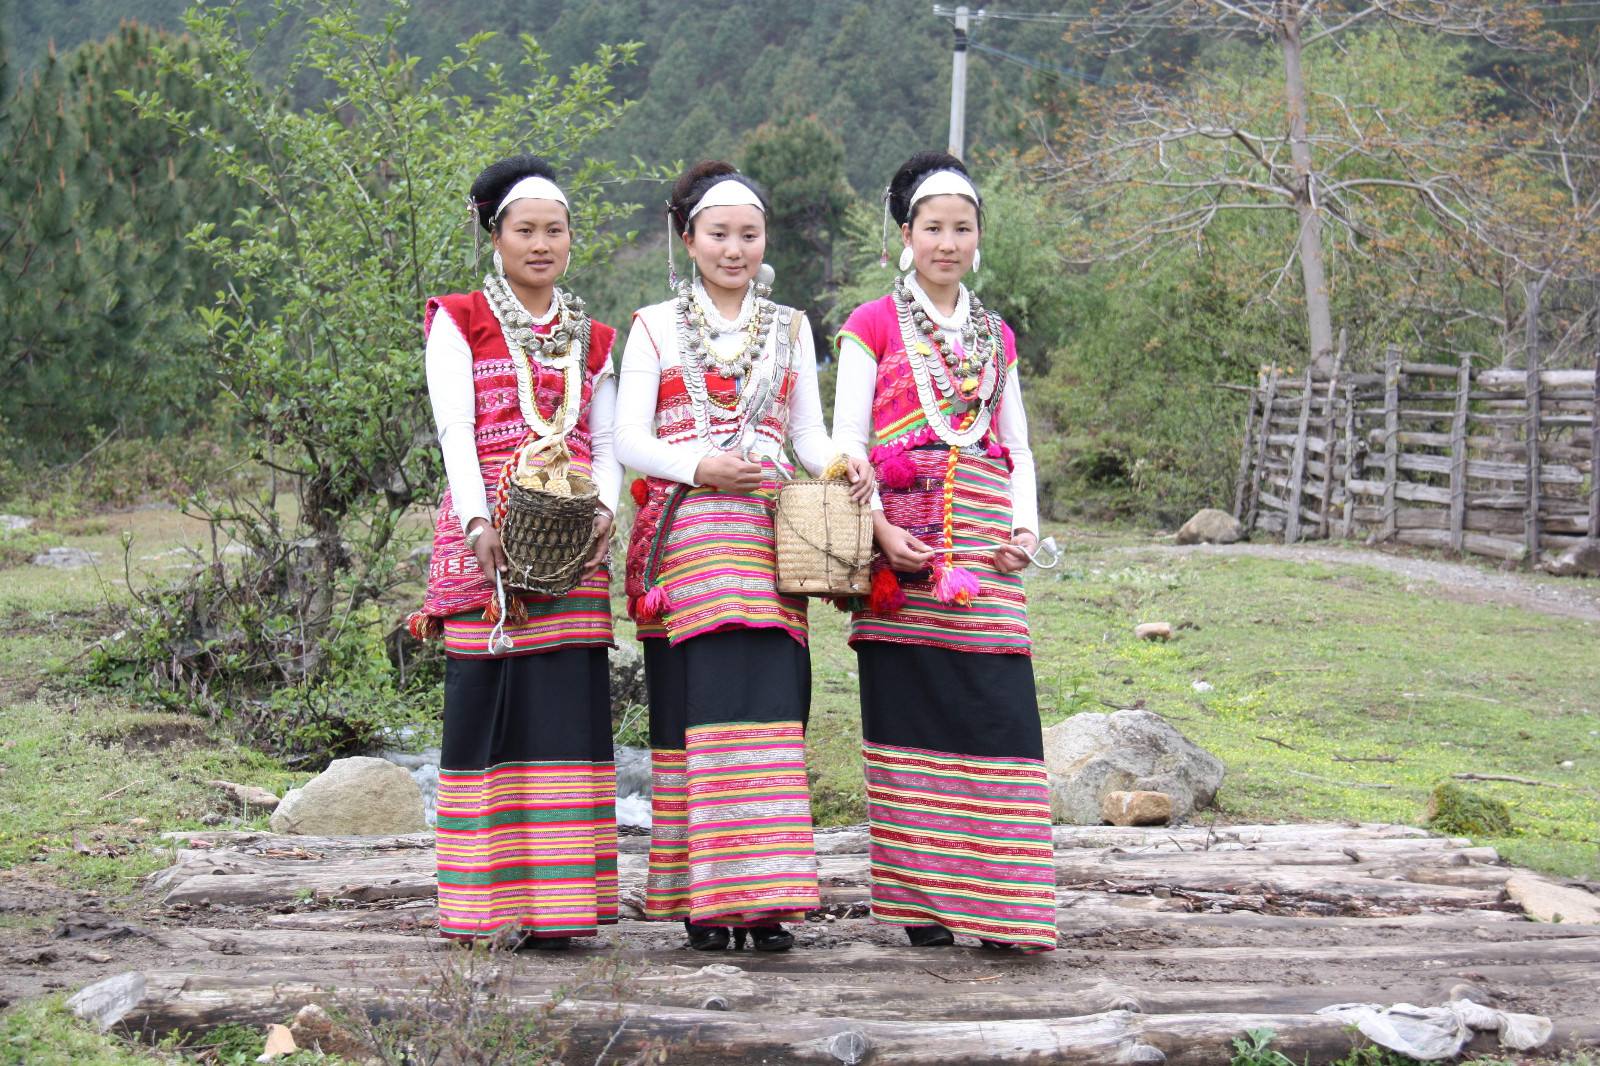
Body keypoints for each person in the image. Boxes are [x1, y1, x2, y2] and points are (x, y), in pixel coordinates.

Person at [615, 161, 873, 953]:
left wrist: (843, 460)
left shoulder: (791, 327)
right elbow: (628, 441)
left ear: (765, 243)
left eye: (749, 235)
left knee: (770, 712)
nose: (735, 249)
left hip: (769, 546)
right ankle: (705, 898)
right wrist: (699, 465)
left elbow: (804, 436)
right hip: (686, 544)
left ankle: (763, 901)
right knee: (700, 717)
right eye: (719, 234)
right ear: (688, 239)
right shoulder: (654, 326)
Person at [830, 152, 1057, 952]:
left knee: (995, 711)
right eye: (934, 227)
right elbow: (846, 444)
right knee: (912, 714)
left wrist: (1025, 531)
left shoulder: (997, 336)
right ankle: (927, 904)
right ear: (907, 234)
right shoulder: (871, 324)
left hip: (987, 551)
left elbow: (1018, 449)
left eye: (963, 228)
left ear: (979, 238)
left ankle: (1004, 907)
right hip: (900, 550)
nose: (948, 242)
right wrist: (883, 537)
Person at [407, 155, 621, 950]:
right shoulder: (457, 318)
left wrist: (602, 504)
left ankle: (563, 908)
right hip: (487, 536)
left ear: (571, 239)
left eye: (554, 230)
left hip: (571, 542)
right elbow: (455, 431)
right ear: (493, 236)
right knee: (486, 713)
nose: (540, 244)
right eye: (524, 230)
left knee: (563, 713)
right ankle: (481, 908)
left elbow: (603, 441)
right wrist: (475, 523)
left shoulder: (593, 336)